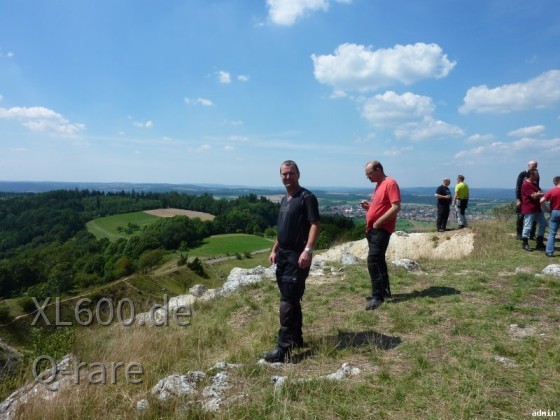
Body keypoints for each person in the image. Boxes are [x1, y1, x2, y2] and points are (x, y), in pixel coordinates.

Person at [264, 160, 321, 363]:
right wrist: (274, 250)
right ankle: (296, 339)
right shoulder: (285, 199)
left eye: (291, 173)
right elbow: (282, 229)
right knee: (290, 298)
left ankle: (283, 349)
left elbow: (315, 224)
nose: (287, 177)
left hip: (298, 256)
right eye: (284, 174)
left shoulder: (307, 197)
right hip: (283, 256)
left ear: (298, 174)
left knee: (287, 301)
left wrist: (308, 250)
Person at [361, 160, 401, 311]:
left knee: (373, 260)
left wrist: (378, 222)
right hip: (373, 229)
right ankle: (384, 290)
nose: (368, 177)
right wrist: (369, 208)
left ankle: (377, 295)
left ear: (378, 170)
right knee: (379, 260)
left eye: (369, 174)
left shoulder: (390, 183)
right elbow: (380, 207)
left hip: (381, 229)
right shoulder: (379, 185)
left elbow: (396, 207)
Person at [520, 168, 546, 252]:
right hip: (529, 208)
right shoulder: (525, 185)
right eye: (536, 174)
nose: (538, 175)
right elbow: (534, 196)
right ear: (531, 175)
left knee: (543, 223)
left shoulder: (534, 184)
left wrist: (539, 194)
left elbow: (539, 193)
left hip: (536, 208)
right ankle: (525, 243)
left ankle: (539, 242)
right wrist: (539, 194)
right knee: (528, 226)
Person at [516, 160, 539, 240]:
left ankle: (532, 234)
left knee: (534, 216)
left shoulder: (536, 175)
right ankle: (519, 234)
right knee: (520, 216)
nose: (535, 167)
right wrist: (518, 199)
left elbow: (536, 186)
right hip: (523, 198)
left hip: (533, 198)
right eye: (533, 166)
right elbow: (518, 187)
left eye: (536, 166)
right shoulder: (522, 174)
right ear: (528, 166)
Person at [540, 176, 560, 257]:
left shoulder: (551, 191)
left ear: (555, 182)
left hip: (554, 211)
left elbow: (541, 201)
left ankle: (549, 252)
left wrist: (546, 209)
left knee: (552, 233)